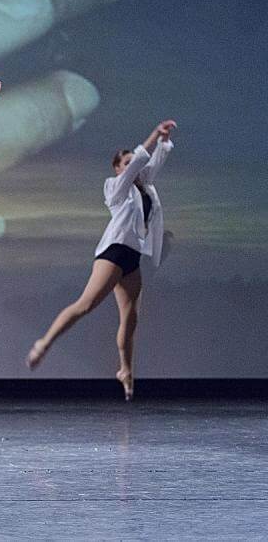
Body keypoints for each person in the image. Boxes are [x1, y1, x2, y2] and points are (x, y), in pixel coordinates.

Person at [26, 119, 177, 400]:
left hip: (132, 256)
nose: (133, 166)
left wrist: (163, 141)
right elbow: (138, 162)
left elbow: (151, 164)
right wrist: (153, 134)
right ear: (118, 169)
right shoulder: (115, 188)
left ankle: (125, 371)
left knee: (130, 320)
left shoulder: (146, 188)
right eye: (127, 163)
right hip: (114, 252)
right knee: (85, 305)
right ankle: (44, 343)